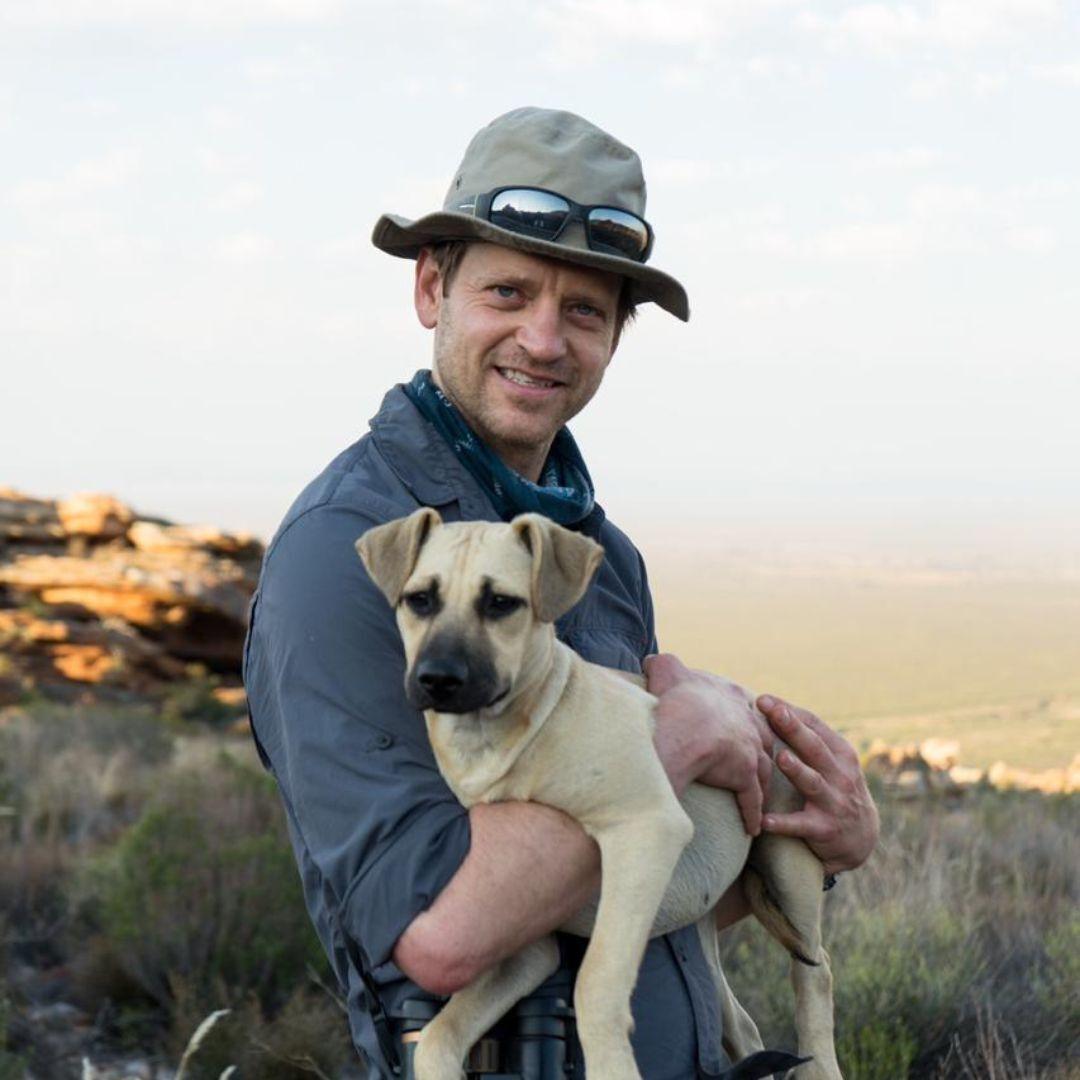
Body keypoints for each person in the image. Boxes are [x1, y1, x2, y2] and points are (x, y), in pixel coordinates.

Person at [243, 107, 879, 1079]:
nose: (543, 340)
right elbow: (441, 936)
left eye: (584, 309)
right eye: (508, 291)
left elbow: (623, 878)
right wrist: (679, 732)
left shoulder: (597, 555)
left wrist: (806, 843)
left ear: (617, 336)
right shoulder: (346, 554)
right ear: (431, 287)